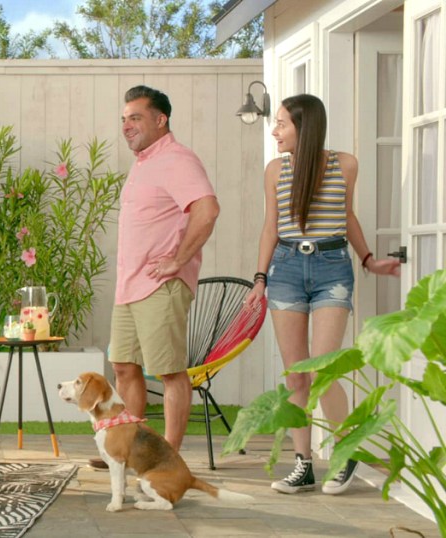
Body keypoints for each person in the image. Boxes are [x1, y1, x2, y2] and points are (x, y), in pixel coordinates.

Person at [244, 94, 400, 495]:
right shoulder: (275, 170)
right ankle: (304, 465)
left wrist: (367, 258)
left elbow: (346, 216)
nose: (275, 130)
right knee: (297, 375)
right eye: (275, 122)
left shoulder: (344, 164)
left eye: (281, 123)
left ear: (304, 126)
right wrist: (259, 279)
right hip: (287, 269)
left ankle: (345, 455)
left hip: (332, 267)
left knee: (322, 370)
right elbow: (270, 227)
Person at [90, 85, 221, 471]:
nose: (127, 126)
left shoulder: (178, 159)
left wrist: (177, 261)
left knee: (169, 371)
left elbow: (208, 210)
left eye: (136, 118)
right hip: (129, 286)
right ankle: (130, 450)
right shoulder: (145, 161)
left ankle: (167, 459)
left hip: (159, 287)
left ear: (160, 120)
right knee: (124, 368)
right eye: (124, 119)